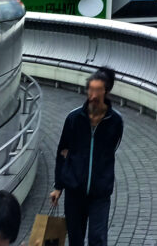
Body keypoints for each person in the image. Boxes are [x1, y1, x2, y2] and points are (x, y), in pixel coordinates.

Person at [49, 67, 123, 246]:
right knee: (76, 238)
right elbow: (62, 152)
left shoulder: (115, 121)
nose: (94, 95)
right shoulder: (74, 119)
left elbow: (112, 149)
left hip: (100, 192)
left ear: (106, 92)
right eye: (91, 90)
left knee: (98, 238)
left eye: (98, 90)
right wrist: (58, 186)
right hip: (75, 191)